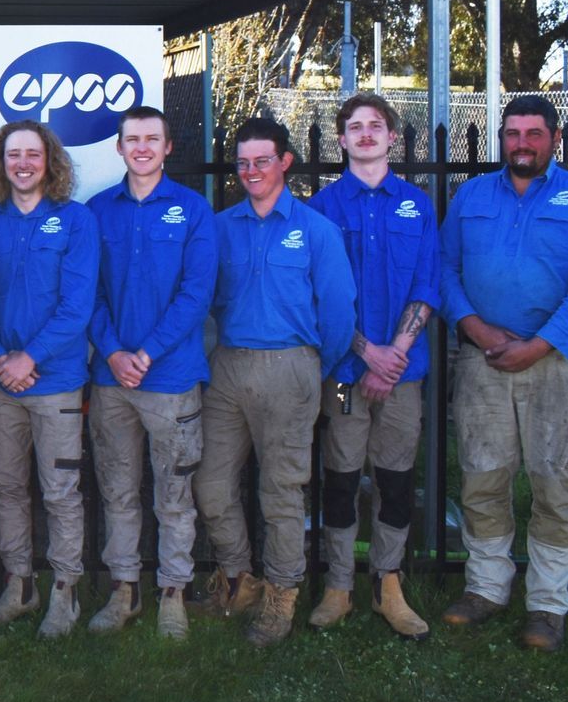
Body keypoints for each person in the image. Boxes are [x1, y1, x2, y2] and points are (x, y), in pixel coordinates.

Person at [441, 94, 568, 652]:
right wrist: (475, 327)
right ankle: (487, 586)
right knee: (482, 478)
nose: (521, 143)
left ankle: (547, 605)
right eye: (512, 133)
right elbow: (443, 271)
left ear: (555, 138)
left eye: (533, 134)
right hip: (482, 361)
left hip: (556, 365)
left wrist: (538, 345)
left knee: (555, 483)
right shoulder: (470, 197)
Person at [197, 117, 355, 647]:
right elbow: (205, 300)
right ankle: (241, 579)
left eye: (262, 160)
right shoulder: (220, 228)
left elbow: (337, 313)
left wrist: (312, 365)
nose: (251, 171)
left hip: (291, 368)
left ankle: (282, 595)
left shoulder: (316, 231)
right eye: (243, 162)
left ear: (285, 162)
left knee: (280, 490)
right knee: (212, 484)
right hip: (228, 367)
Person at [305, 94, 439, 640]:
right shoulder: (319, 211)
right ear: (340, 139)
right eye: (355, 127)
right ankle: (338, 583)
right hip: (342, 376)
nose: (365, 134)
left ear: (391, 138)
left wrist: (394, 355)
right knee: (339, 475)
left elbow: (427, 284)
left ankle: (388, 582)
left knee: (396, 477)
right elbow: (318, 296)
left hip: (403, 376)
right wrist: (367, 354)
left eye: (375, 126)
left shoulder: (417, 205)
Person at [84, 107, 215, 640]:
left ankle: (173, 593)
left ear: (167, 148)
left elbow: (196, 293)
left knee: (174, 495)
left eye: (151, 139)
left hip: (172, 377)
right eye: (131, 139)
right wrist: (114, 352)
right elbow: (85, 292)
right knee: (117, 489)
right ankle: (124, 591)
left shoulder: (193, 211)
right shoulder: (96, 211)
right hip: (113, 379)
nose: (141, 148)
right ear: (118, 148)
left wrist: (148, 352)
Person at [0, 121, 99, 639]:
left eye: (33, 154)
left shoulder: (76, 221)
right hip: (1, 384)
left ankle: (64, 593)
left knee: (61, 491)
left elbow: (77, 305)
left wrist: (30, 358)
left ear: (50, 161)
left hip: (57, 380)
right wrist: (3, 358)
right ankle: (19, 587)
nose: (22, 163)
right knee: (5, 487)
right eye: (12, 154)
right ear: (1, 163)